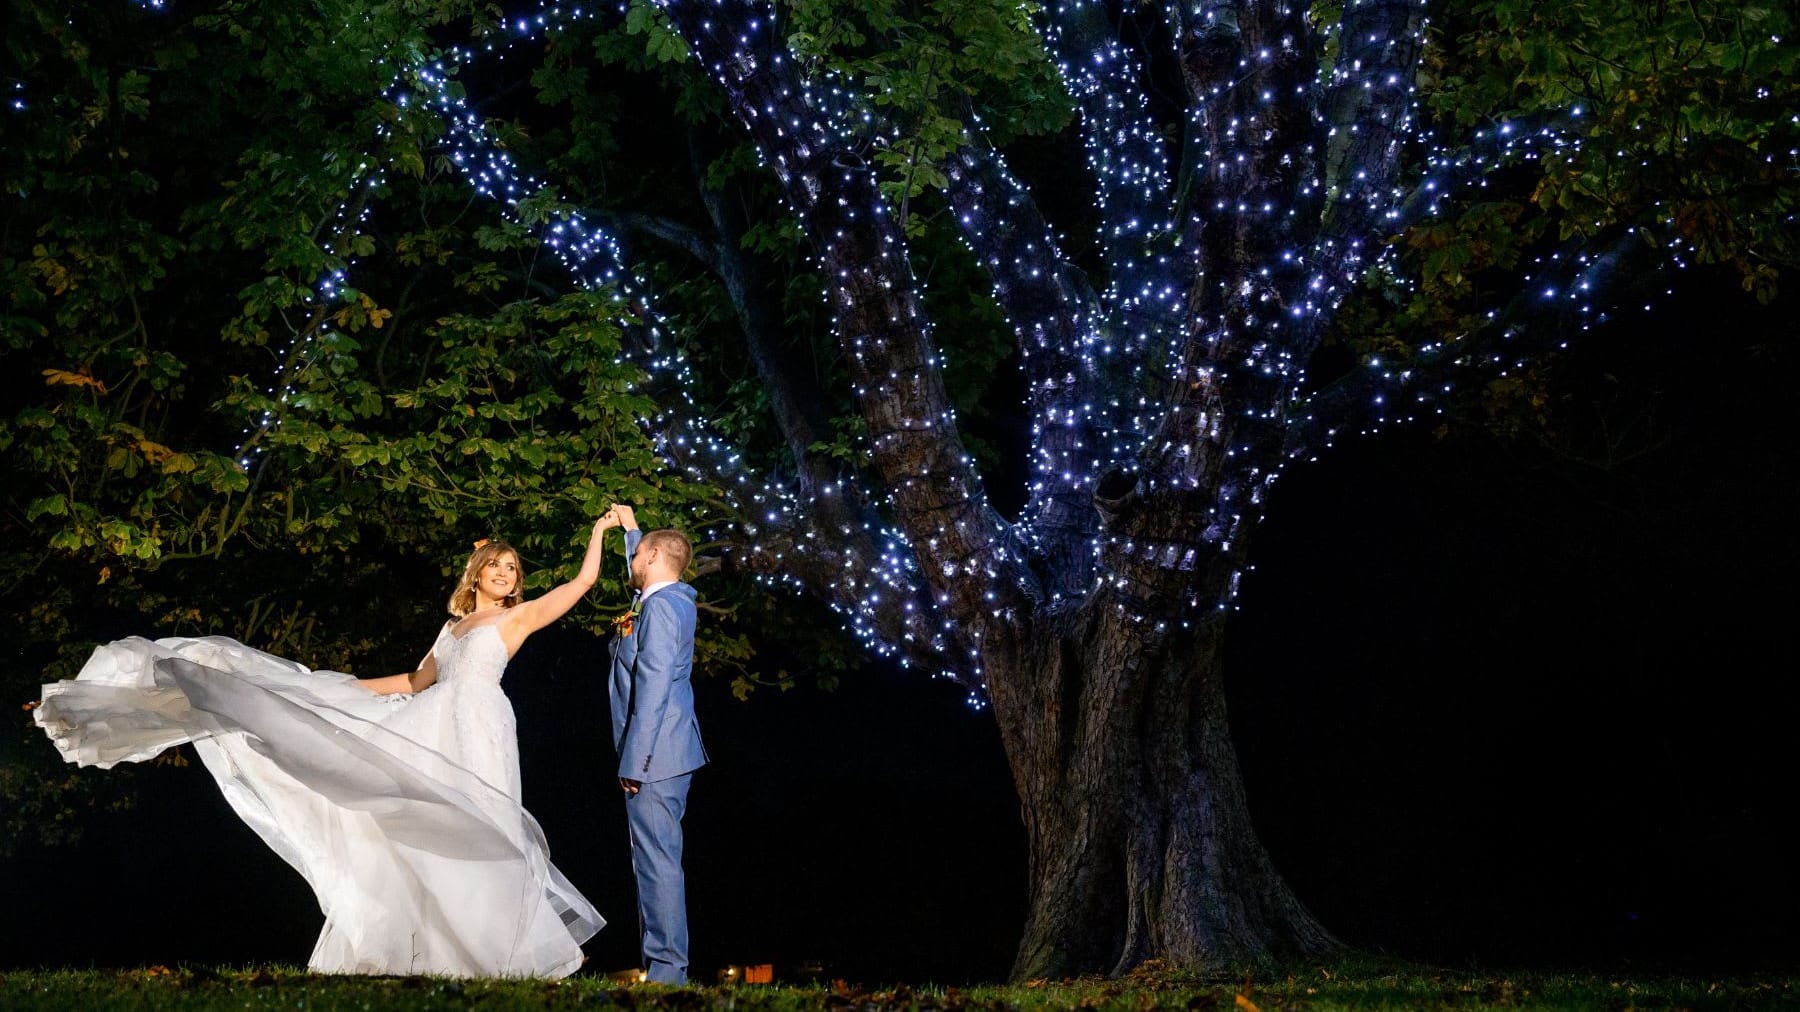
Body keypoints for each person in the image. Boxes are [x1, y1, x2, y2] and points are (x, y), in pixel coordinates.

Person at [32, 519, 619, 978]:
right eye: (495, 565)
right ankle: (437, 949)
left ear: (517, 582)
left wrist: (599, 534)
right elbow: (415, 682)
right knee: (414, 826)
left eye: (512, 568)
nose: (504, 573)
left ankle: (498, 949)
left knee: (477, 827)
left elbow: (581, 584)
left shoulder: (516, 621)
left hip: (482, 725)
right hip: (433, 721)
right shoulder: (454, 629)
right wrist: (329, 691)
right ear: (476, 573)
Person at [605, 504, 706, 985]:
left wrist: (635, 760)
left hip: (656, 758)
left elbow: (654, 686)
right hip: (663, 755)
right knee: (650, 858)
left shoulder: (664, 608)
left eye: (636, 556)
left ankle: (667, 973)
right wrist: (631, 529)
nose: (631, 564)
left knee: (657, 860)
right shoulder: (667, 599)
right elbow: (651, 559)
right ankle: (662, 967)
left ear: (653, 557)